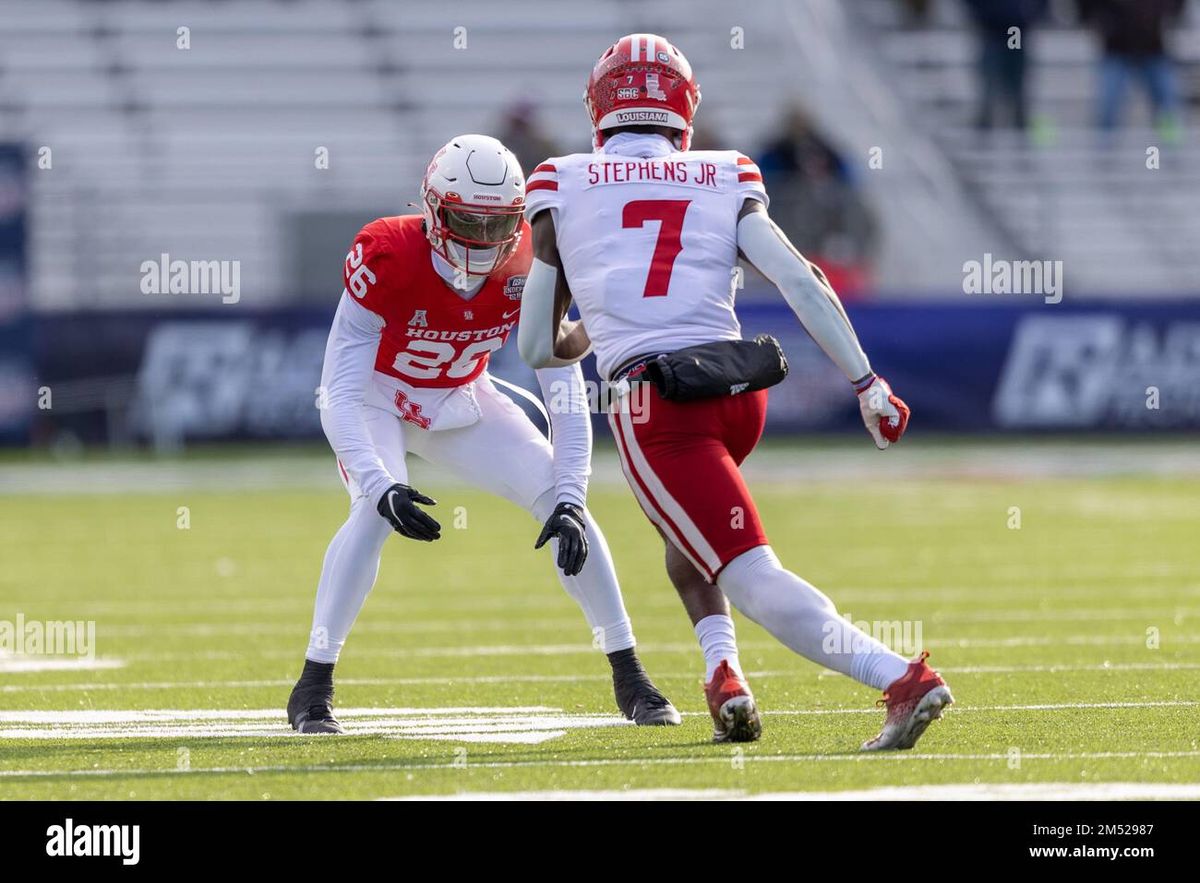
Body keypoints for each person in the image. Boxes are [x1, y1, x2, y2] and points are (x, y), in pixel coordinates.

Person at [518, 35, 952, 749]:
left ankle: (900, 677)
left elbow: (538, 345)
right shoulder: (723, 172)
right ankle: (723, 673)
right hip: (737, 389)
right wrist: (867, 382)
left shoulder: (561, 179)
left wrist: (592, 325)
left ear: (600, 108)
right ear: (682, 107)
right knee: (690, 532)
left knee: (749, 572)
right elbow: (800, 278)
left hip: (656, 401)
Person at [287, 134, 679, 733]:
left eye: (498, 226)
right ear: (433, 208)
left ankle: (630, 675)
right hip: (376, 400)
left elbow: (566, 391)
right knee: (372, 512)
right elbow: (337, 392)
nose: (482, 240)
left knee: (559, 501)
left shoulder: (531, 262)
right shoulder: (387, 254)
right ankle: (313, 686)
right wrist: (378, 483)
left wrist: (573, 493)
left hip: (460, 398)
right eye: (467, 221)